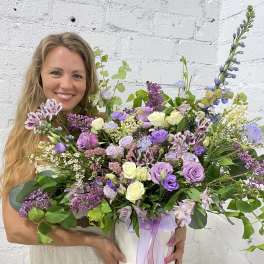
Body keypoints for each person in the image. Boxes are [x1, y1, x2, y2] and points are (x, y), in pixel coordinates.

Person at [1, 32, 186, 264]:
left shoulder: (103, 128)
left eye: (77, 75)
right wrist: (89, 240)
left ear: (88, 81)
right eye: (56, 72)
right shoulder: (26, 139)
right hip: (63, 256)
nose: (66, 84)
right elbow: (16, 229)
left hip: (109, 255)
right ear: (39, 76)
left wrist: (179, 226)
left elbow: (151, 181)